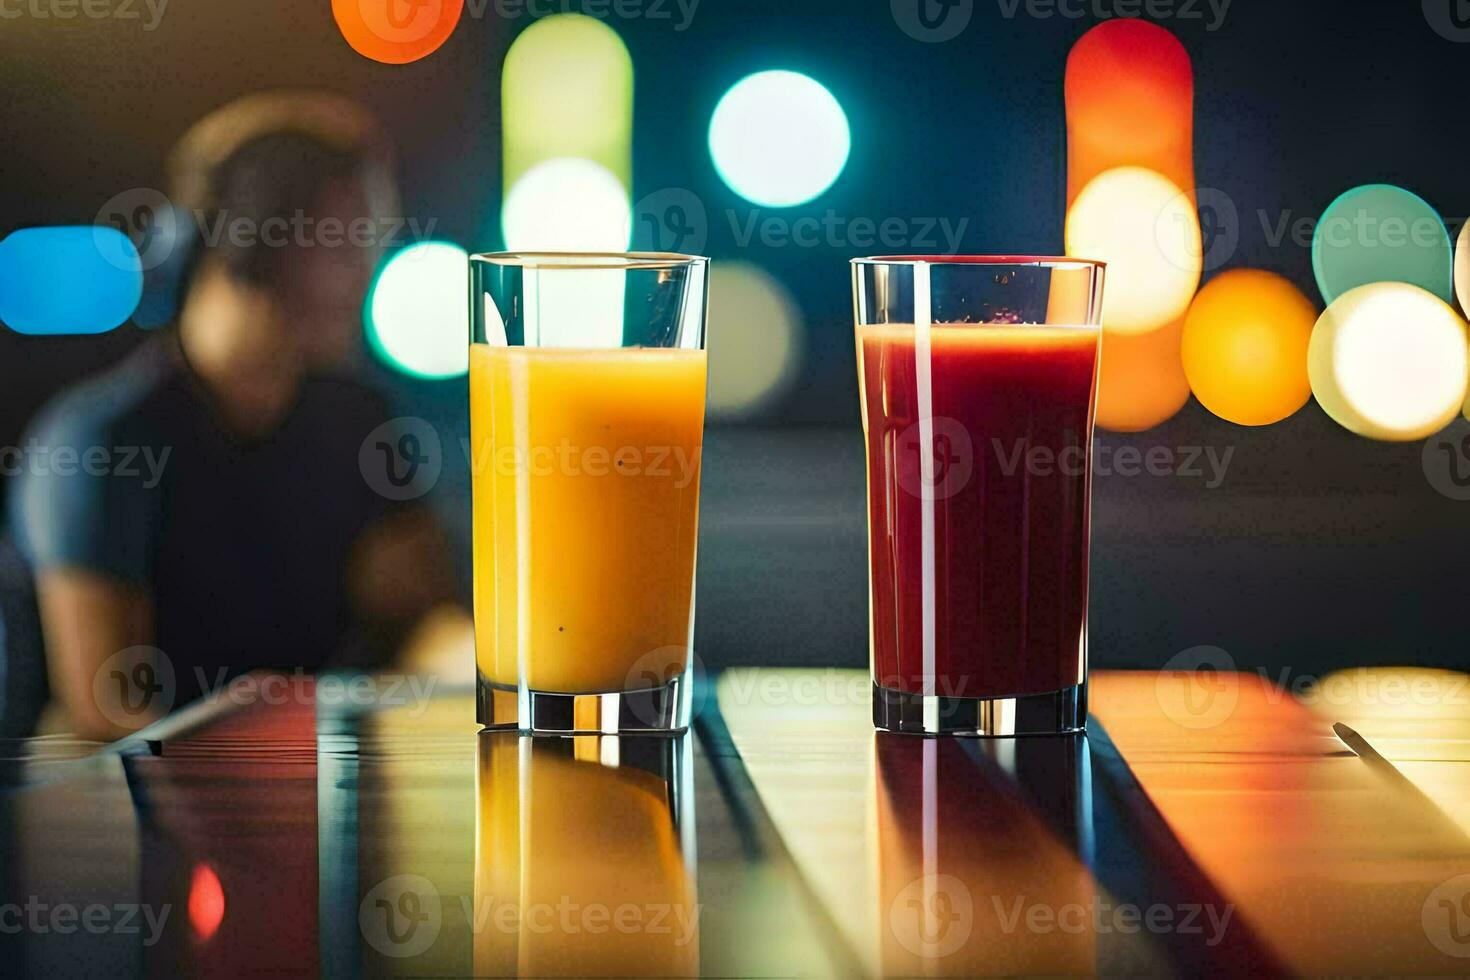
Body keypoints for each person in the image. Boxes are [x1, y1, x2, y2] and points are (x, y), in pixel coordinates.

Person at [8, 91, 459, 739]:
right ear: (258, 234)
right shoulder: (102, 439)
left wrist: (486, 668)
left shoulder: (355, 418)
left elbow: (419, 618)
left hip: (306, 791)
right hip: (126, 811)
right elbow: (105, 707)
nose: (366, 272)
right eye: (345, 240)